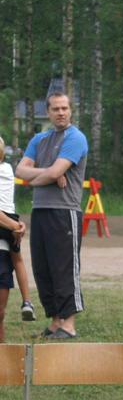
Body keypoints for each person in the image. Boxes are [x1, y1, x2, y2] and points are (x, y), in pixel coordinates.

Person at [15, 91, 88, 339]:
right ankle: (56, 322)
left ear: (71, 110)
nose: (61, 113)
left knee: (64, 268)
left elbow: (39, 173)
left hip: (65, 212)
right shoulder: (39, 139)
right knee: (43, 268)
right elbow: (20, 169)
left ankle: (69, 324)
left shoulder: (76, 138)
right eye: (56, 109)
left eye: (65, 108)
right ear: (48, 112)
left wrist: (37, 177)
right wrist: (49, 174)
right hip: (40, 210)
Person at [0, 136, 36, 321]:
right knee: (18, 260)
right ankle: (27, 301)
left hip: (2, 219)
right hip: (12, 218)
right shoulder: (7, 169)